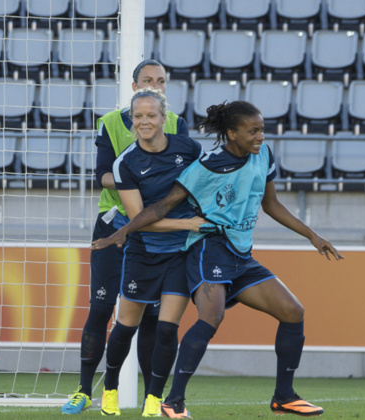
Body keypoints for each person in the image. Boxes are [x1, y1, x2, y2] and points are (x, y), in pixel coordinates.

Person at [92, 101, 344, 418]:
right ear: (231, 134)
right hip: (208, 248)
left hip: (241, 255)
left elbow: (272, 204)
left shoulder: (263, 155)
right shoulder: (206, 166)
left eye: (262, 129)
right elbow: (162, 206)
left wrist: (312, 236)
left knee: (293, 311)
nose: (260, 137)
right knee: (211, 318)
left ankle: (284, 396)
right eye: (253, 131)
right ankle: (174, 401)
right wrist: (124, 231)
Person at [62, 59, 189, 415]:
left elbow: (189, 177)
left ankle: (154, 398)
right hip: (114, 224)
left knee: (151, 317)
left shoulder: (177, 124)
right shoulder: (109, 123)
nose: (156, 85)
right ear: (134, 87)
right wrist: (134, 184)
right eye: (148, 80)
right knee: (101, 308)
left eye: (161, 80)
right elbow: (102, 175)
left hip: (157, 233)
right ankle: (85, 390)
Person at [97, 87, 205, 417]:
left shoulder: (190, 149)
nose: (145, 121)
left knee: (167, 328)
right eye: (138, 116)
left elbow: (204, 189)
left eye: (151, 115)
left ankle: (154, 399)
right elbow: (138, 220)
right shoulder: (125, 163)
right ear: (132, 120)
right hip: (143, 253)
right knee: (126, 326)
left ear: (163, 118)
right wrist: (189, 225)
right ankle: (110, 388)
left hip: (180, 255)